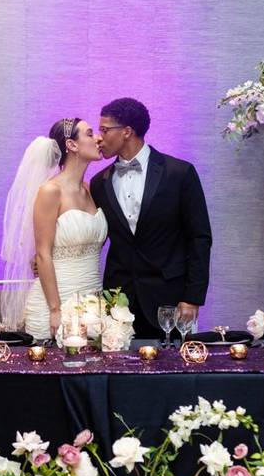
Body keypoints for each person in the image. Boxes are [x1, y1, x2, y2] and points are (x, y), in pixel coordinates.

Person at [90, 98, 212, 339]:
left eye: (104, 130)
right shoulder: (99, 182)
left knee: (171, 371)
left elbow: (199, 238)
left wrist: (192, 297)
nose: (98, 137)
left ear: (127, 131)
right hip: (119, 301)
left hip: (169, 299)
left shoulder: (179, 173)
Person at [0, 118, 107, 339]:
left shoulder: (90, 189)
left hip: (92, 301)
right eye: (89, 133)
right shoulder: (50, 191)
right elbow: (43, 253)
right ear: (72, 145)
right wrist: (56, 310)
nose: (98, 138)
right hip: (56, 303)